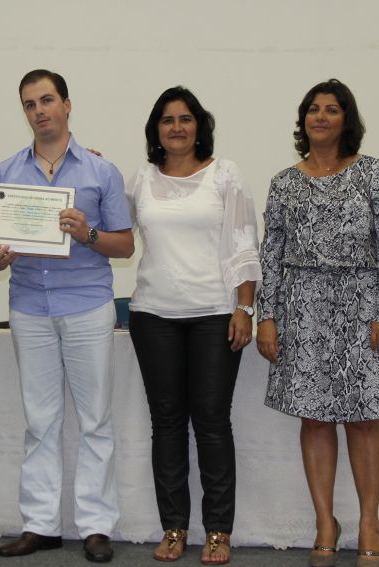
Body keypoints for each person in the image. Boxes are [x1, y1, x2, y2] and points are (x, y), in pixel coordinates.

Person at [0, 69, 133, 563]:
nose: (39, 111)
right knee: (40, 422)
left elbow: (125, 245)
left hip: (87, 305)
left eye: (47, 100)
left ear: (67, 104)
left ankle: (95, 527)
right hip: (29, 308)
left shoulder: (101, 171)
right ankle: (40, 525)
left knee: (95, 420)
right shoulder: (5, 172)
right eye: (29, 104)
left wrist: (88, 234)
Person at [256, 78, 379, 567]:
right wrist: (267, 317)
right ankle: (325, 521)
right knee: (315, 416)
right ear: (303, 120)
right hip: (302, 308)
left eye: (331, 109)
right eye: (313, 109)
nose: (320, 117)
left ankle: (369, 522)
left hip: (363, 308)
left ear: (347, 120)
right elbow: (270, 255)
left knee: (364, 417)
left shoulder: (373, 173)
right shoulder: (283, 182)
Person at [126, 86, 261, 565]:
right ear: (156, 130)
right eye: (167, 120)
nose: (177, 127)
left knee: (211, 422)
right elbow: (114, 229)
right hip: (152, 316)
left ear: (199, 126)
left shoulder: (225, 174)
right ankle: (174, 527)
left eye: (185, 119)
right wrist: (89, 171)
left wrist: (244, 308)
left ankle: (219, 530)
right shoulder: (140, 179)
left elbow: (244, 243)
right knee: (166, 424)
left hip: (214, 315)